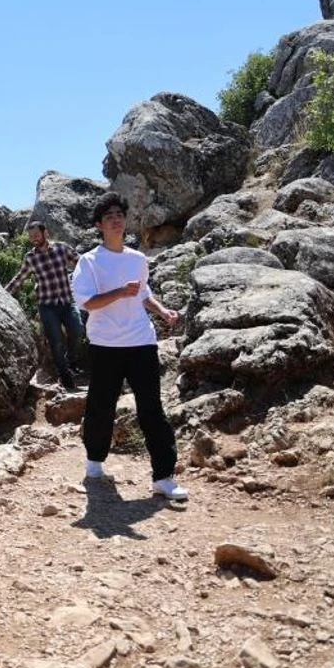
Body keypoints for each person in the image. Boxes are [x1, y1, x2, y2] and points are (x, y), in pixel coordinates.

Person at [70, 192, 187, 501]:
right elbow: (87, 303)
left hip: (141, 341)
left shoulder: (137, 259)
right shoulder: (89, 262)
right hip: (106, 343)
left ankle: (163, 477)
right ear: (99, 225)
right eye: (108, 216)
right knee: (101, 405)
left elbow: (142, 292)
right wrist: (120, 292)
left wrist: (161, 311)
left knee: (152, 409)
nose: (116, 219)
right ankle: (94, 462)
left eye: (119, 214)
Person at [5, 221, 85, 390]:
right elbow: (19, 278)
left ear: (45, 233)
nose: (33, 239)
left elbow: (82, 263)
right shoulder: (31, 258)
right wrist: (3, 293)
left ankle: (71, 361)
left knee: (78, 329)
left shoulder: (61, 248)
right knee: (56, 341)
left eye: (36, 235)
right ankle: (65, 377)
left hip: (66, 301)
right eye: (31, 236)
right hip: (47, 306)